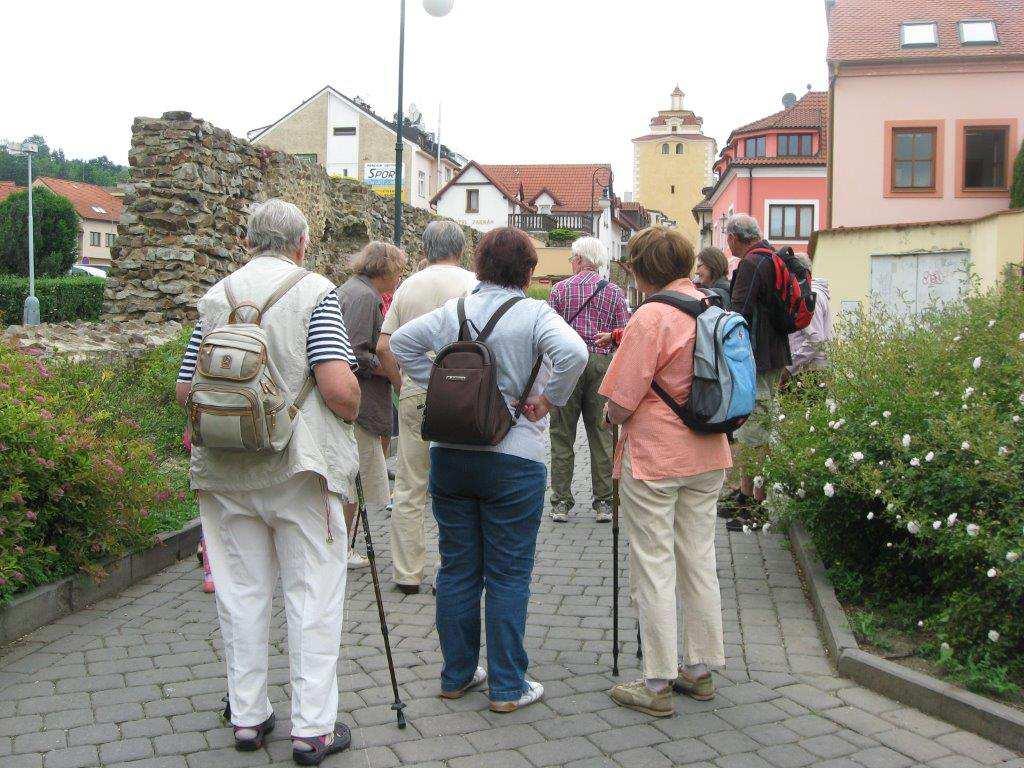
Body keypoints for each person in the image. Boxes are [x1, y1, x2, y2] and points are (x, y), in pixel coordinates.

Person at [175, 198, 361, 764]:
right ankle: (312, 729)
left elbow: (187, 391)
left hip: (227, 469)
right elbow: (336, 388)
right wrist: (355, 411)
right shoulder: (315, 293)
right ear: (302, 243)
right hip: (300, 469)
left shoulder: (216, 297)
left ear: (248, 240)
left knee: (239, 592)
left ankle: (248, 716)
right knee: (312, 595)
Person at [390, 227, 587, 713]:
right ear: (529, 270)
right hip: (514, 455)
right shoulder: (536, 313)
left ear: (478, 265)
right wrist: (548, 399)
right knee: (507, 573)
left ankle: (457, 674)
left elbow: (401, 345)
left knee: (457, 567)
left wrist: (437, 388)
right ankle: (507, 685)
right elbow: (576, 353)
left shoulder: (454, 311)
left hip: (451, 453)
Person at [599, 226, 732, 718]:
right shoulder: (714, 307)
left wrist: (609, 416)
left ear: (640, 269)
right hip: (710, 451)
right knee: (698, 559)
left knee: (653, 564)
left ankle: (656, 680)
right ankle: (700, 671)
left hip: (656, 458)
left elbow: (620, 399)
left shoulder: (651, 316)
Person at [377, 220, 477, 594]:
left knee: (409, 485)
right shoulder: (472, 284)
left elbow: (385, 346)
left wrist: (402, 385)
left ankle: (407, 572)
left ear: (425, 249)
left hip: (417, 391)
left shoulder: (408, 287)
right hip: (464, 396)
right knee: (457, 485)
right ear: (461, 249)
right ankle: (448, 571)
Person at [546, 236, 630, 524]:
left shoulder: (559, 290)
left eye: (572, 259)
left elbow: (549, 334)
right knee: (601, 434)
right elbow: (626, 333)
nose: (571, 264)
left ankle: (560, 502)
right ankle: (604, 503)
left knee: (561, 435)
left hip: (568, 364)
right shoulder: (615, 292)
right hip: (600, 364)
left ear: (580, 259)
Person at [336, 241, 406, 568]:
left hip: (357, 398)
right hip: (360, 400)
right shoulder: (365, 297)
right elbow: (356, 353)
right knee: (356, 477)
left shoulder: (353, 289)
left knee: (355, 475)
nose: (400, 278)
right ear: (385, 269)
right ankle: (341, 548)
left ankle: (340, 544)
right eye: (398, 271)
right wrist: (389, 369)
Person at [722, 214, 791, 514]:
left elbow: (739, 312)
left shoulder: (752, 263)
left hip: (757, 356)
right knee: (760, 424)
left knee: (754, 429)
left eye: (728, 237)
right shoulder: (772, 257)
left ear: (735, 237)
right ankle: (749, 492)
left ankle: (753, 500)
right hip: (774, 352)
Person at [786, 252, 832, 378]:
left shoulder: (810, 297)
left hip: (808, 371)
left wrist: (790, 367)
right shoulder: (812, 294)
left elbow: (815, 340)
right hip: (809, 369)